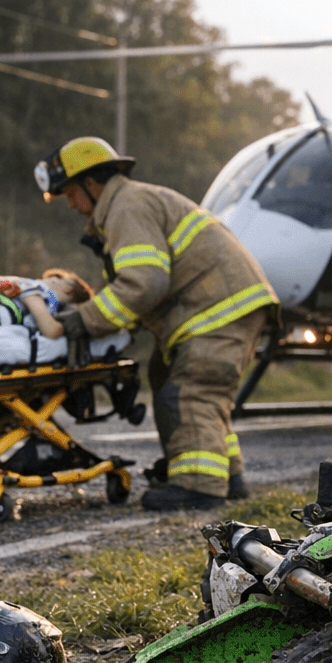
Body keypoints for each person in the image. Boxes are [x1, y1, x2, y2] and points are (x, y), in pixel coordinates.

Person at [34, 136, 277, 510]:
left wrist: (84, 320)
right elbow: (136, 285)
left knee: (192, 389)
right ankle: (229, 476)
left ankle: (199, 486)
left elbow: (144, 282)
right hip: (220, 305)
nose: (70, 203)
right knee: (174, 379)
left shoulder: (126, 207)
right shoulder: (130, 203)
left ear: (92, 182)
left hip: (215, 309)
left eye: (69, 192)